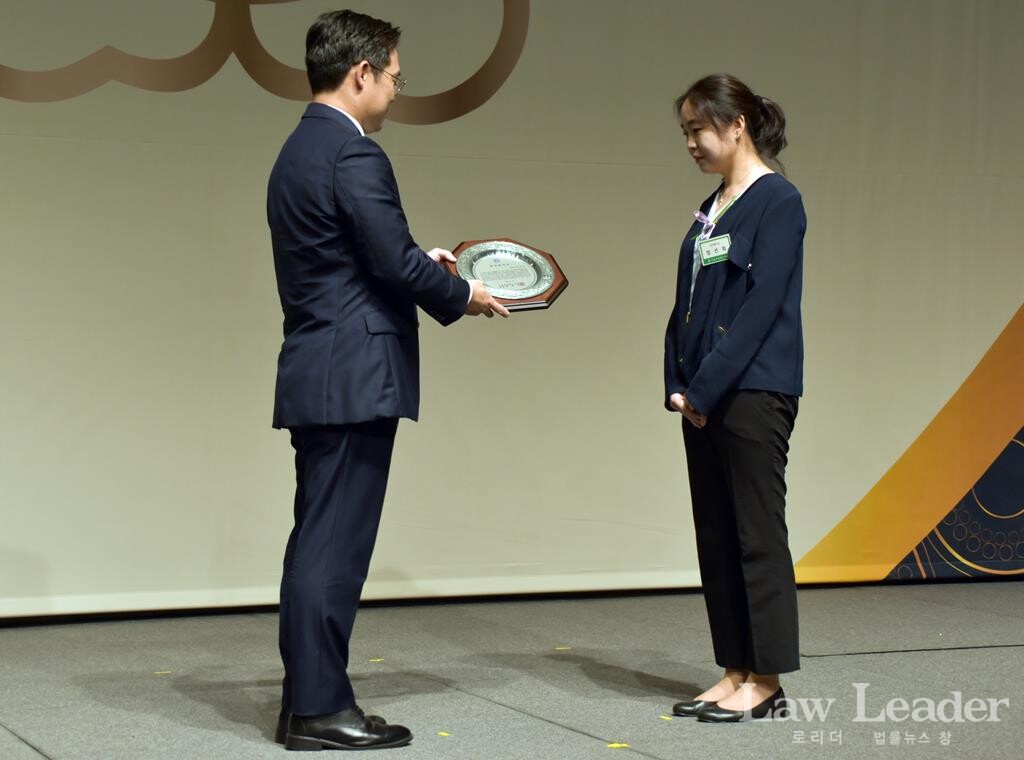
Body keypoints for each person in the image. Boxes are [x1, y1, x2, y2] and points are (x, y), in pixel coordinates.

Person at [266, 9, 508, 751]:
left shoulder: (297, 151)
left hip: (320, 368)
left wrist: (415, 261)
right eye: (396, 76)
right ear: (361, 73)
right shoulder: (353, 153)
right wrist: (462, 292)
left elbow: (365, 255)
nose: (399, 89)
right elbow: (389, 261)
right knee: (333, 548)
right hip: (352, 375)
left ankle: (312, 698)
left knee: (319, 540)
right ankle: (317, 712)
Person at [662, 73, 806, 723]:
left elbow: (759, 307)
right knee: (716, 535)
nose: (690, 142)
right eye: (685, 132)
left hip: (752, 390)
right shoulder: (710, 206)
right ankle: (734, 670)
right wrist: (675, 381)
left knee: (755, 535)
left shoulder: (777, 201)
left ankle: (768, 679)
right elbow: (685, 302)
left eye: (699, 128)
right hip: (702, 395)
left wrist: (706, 387)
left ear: (737, 124)